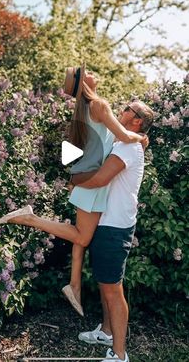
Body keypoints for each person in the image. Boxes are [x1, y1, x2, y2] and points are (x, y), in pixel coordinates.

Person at [0, 64, 148, 317]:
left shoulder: (86, 108)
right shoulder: (99, 105)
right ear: (84, 83)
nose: (92, 72)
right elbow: (123, 135)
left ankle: (74, 287)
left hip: (88, 181)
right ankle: (29, 218)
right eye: (87, 73)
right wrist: (141, 138)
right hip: (91, 184)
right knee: (81, 237)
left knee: (81, 236)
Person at [71, 100, 154, 362]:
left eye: (130, 107)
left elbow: (100, 179)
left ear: (137, 120)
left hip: (114, 227)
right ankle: (107, 332)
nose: (124, 108)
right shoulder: (126, 141)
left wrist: (74, 182)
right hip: (107, 223)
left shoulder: (129, 147)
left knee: (113, 291)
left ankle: (119, 355)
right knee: (105, 283)